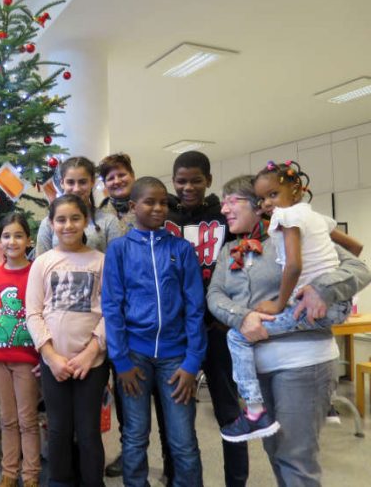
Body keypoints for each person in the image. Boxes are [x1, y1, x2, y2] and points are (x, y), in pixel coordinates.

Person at [207, 175, 371, 486]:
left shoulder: (294, 233)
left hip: (302, 362)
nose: (224, 209)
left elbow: (359, 268)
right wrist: (242, 317)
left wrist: (321, 289)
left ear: (260, 207)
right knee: (275, 448)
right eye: (222, 203)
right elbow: (214, 296)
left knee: (296, 457)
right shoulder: (229, 251)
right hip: (259, 367)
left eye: (232, 202)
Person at [102, 177, 206, 487]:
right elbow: (112, 307)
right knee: (134, 437)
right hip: (134, 358)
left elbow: (195, 307)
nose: (159, 207)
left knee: (183, 440)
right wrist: (120, 362)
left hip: (177, 359)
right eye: (150, 202)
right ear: (133, 207)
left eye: (163, 202)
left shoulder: (181, 249)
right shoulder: (118, 250)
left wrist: (192, 363)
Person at [164, 151, 247, 486]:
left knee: (229, 410)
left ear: (208, 180)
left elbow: (243, 267)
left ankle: (236, 481)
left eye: (195, 180)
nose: (188, 187)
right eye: (181, 181)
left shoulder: (224, 217)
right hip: (175, 332)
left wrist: (232, 314)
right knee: (174, 412)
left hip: (217, 330)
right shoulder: (163, 216)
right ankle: (175, 477)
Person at [26, 194, 108, 487]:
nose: (68, 225)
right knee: (59, 429)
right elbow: (33, 313)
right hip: (54, 363)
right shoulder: (43, 262)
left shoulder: (100, 261)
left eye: (75, 218)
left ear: (86, 220)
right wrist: (50, 356)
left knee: (87, 431)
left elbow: (111, 313)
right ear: (51, 224)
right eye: (61, 219)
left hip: (92, 363)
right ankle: (60, 481)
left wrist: (91, 352)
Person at [0, 213, 41, 487]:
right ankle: (9, 473)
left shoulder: (36, 272)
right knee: (7, 419)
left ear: (28, 240)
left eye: (17, 235)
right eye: (6, 236)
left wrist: (43, 356)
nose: (11, 241)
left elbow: (43, 316)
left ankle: (31, 475)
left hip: (27, 360)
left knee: (27, 419)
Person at [36, 156, 123, 256]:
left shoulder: (109, 222)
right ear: (62, 183)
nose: (76, 189)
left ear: (92, 183)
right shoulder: (48, 223)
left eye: (82, 182)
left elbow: (117, 264)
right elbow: (41, 263)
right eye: (70, 182)